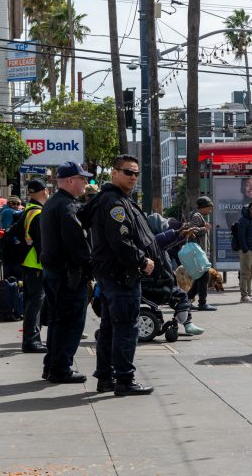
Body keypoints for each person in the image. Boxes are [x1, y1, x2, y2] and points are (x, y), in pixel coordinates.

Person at [78, 155, 155, 395]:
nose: (132, 177)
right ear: (114, 173)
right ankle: (124, 380)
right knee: (125, 328)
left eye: (135, 173)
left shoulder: (112, 199)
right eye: (127, 172)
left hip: (110, 274)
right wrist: (142, 261)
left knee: (110, 327)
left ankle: (105, 377)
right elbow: (120, 241)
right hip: (121, 275)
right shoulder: (114, 203)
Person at [38, 163, 92, 384]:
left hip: (55, 272)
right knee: (70, 322)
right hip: (67, 275)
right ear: (70, 181)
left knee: (59, 321)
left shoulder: (53, 203)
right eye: (82, 179)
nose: (86, 183)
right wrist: (89, 267)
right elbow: (77, 244)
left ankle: (52, 364)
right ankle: (61, 368)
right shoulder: (67, 206)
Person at [20, 179, 49, 354]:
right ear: (44, 191)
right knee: (34, 305)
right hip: (36, 264)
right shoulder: (37, 213)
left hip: (29, 263)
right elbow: (41, 243)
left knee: (33, 303)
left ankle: (32, 339)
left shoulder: (29, 210)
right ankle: (31, 341)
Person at [187, 196, 216, 311]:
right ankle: (202, 303)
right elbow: (192, 230)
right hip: (198, 253)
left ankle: (187, 299)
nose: (210, 211)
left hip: (198, 253)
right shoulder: (196, 216)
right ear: (203, 207)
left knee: (200, 277)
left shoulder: (198, 216)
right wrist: (205, 228)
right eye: (209, 208)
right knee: (204, 277)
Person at [237, 201, 252, 304]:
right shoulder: (244, 220)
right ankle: (244, 296)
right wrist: (245, 249)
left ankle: (249, 294)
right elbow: (241, 236)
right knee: (245, 273)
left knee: (251, 273)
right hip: (247, 252)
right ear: (249, 209)